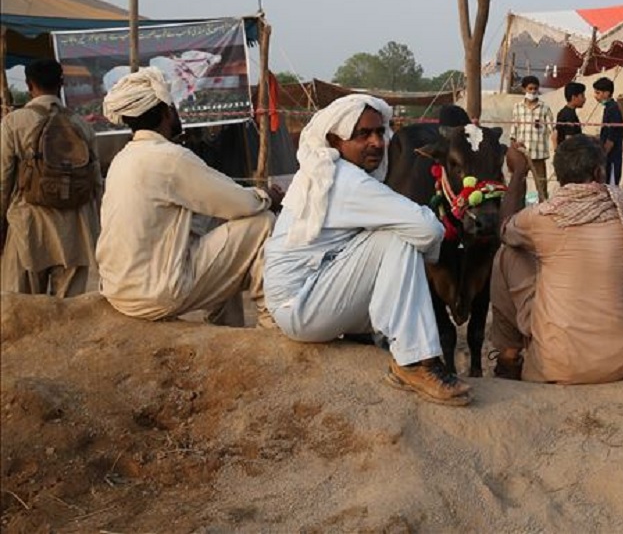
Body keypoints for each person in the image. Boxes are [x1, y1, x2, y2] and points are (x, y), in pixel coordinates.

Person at [263, 94, 476, 406]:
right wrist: (427, 251)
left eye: (380, 132)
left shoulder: (324, 173)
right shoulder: (346, 180)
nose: (377, 142)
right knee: (398, 235)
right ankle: (413, 362)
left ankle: (384, 339)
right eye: (363, 135)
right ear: (336, 140)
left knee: (393, 231)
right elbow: (429, 229)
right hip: (302, 307)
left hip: (307, 297)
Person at [96, 68, 281, 326]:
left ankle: (225, 329)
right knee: (263, 224)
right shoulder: (170, 157)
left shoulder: (123, 158)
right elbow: (242, 204)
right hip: (155, 293)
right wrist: (268, 196)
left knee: (215, 226)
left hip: (119, 289)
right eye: (173, 107)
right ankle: (272, 323)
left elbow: (219, 202)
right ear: (165, 113)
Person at [490, 134, 623, 384]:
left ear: (560, 175)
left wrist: (519, 172)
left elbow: (504, 229)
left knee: (507, 254)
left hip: (558, 366)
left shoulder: (539, 218)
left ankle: (509, 356)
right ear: (599, 173)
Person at [0, 59, 101, 297]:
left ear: (28, 85)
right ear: (61, 84)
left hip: (29, 223)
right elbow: (96, 182)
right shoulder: (80, 125)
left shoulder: (14, 122)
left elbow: (3, 177)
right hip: (75, 229)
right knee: (67, 313)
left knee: (24, 309)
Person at [511, 75, 554, 202]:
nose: (533, 91)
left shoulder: (544, 108)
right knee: (519, 185)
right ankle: (518, 209)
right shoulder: (518, 107)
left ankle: (543, 210)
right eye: (530, 89)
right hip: (522, 153)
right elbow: (514, 128)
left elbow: (552, 128)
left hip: (539, 153)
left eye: (535, 89)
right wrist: (513, 147)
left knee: (541, 187)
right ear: (524, 89)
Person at [593, 77, 623, 186]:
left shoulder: (613, 109)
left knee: (611, 186)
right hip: (609, 156)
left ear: (607, 93)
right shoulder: (608, 108)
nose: (595, 96)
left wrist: (603, 155)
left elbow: (612, 137)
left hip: (612, 157)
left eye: (598, 93)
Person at [554, 81, 586, 148]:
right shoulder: (570, 116)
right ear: (573, 97)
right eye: (582, 96)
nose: (584, 99)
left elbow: (555, 135)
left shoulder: (562, 112)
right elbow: (569, 139)